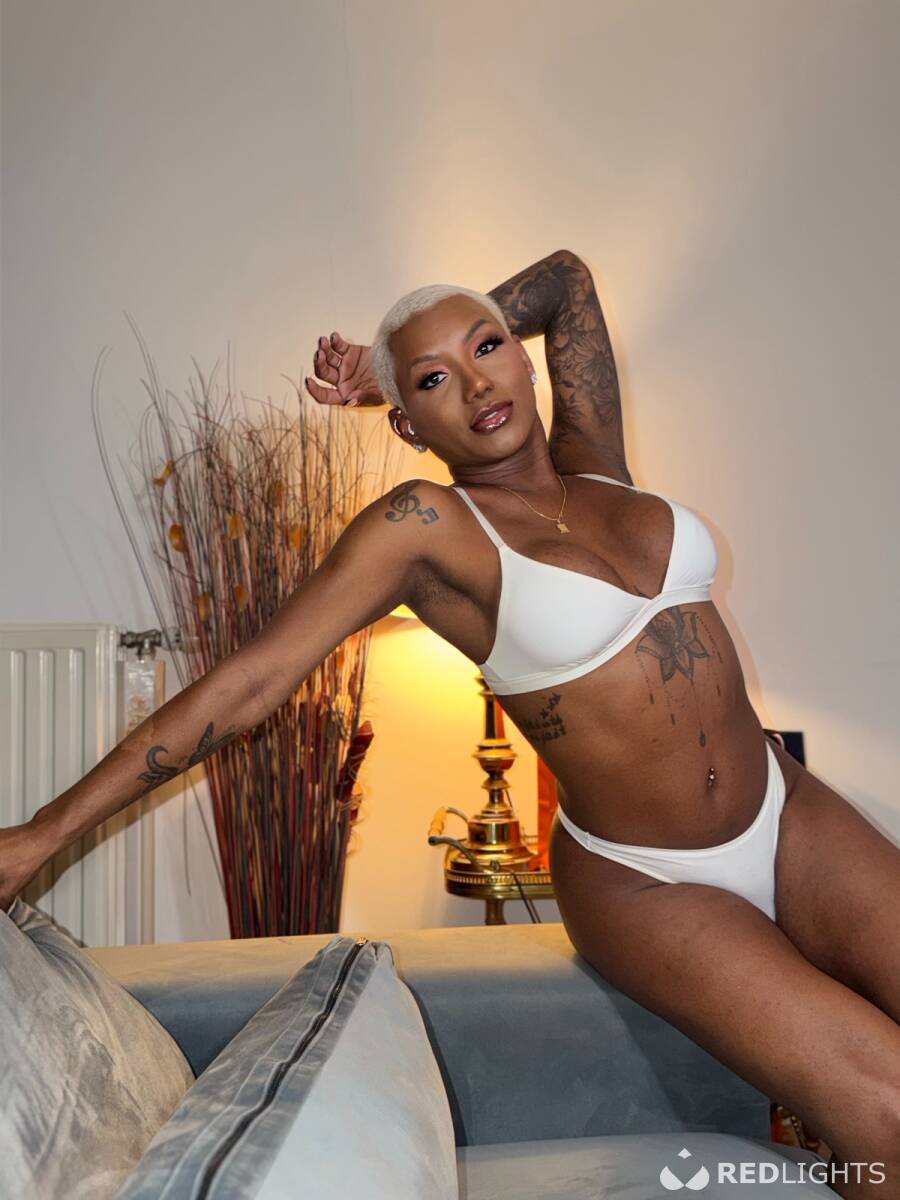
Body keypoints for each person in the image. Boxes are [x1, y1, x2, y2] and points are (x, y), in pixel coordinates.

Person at [1, 249, 897, 1196]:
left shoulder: (598, 461)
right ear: (405, 424)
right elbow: (250, 683)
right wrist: (44, 834)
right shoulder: (428, 528)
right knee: (884, 1105)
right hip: (644, 880)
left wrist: (390, 360)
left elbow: (567, 280)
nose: (476, 384)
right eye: (432, 382)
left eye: (488, 348)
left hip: (787, 813)